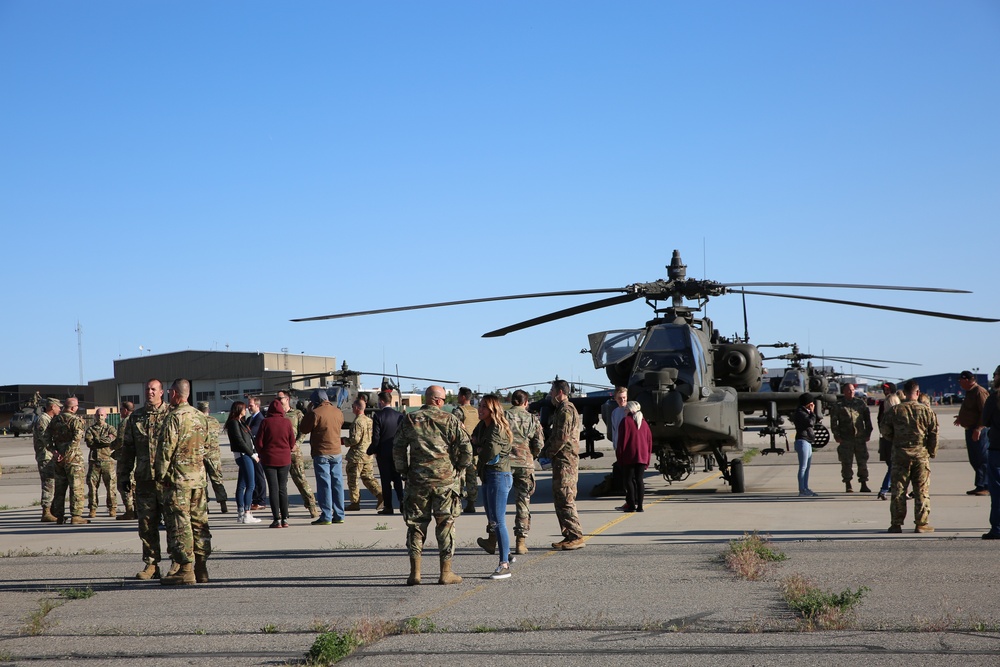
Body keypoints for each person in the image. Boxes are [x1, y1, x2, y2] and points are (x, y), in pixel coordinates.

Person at [393, 385, 472, 585]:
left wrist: (404, 471)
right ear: (437, 400)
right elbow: (467, 450)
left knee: (416, 526)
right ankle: (445, 573)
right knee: (445, 525)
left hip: (417, 481)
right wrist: (458, 469)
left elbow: (398, 448)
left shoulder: (410, 419)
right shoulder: (450, 420)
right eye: (444, 399)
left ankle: (415, 573)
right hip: (445, 483)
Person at [155, 379, 214, 585]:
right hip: (198, 480)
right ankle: (202, 568)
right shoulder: (200, 416)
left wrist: (159, 477)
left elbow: (165, 451)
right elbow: (207, 448)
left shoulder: (174, 417)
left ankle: (186, 569)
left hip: (178, 481)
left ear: (173, 393)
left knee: (181, 523)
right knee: (199, 523)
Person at [121, 379, 171, 579]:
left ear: (162, 392)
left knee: (173, 524)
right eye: (147, 389)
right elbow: (128, 449)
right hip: (144, 479)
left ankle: (177, 563)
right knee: (147, 524)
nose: (149, 392)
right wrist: (124, 475)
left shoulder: (171, 415)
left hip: (167, 480)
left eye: (153, 389)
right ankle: (151, 565)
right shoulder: (136, 417)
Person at [883, 379, 938, 534]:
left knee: (898, 490)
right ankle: (921, 524)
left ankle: (896, 524)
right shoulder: (927, 411)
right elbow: (934, 433)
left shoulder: (894, 411)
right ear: (918, 393)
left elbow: (885, 430)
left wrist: (896, 440)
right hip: (920, 456)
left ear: (904, 393)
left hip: (900, 456)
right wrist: (931, 451)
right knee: (921, 490)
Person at [472, 394, 515, 579]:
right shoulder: (482, 426)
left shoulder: (497, 429)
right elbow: (472, 443)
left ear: (493, 410)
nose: (479, 409)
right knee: (492, 519)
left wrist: (480, 448)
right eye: (479, 406)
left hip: (499, 475)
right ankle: (507, 553)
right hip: (487, 475)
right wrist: (479, 448)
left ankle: (504, 564)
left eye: (484, 407)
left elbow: (489, 453)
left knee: (498, 520)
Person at [543, 379, 585, 550]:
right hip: (561, 460)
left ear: (560, 392)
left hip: (565, 461)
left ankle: (576, 535)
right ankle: (568, 534)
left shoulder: (566, 410)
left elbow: (561, 437)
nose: (551, 394)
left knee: (566, 498)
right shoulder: (562, 409)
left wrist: (546, 453)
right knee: (560, 498)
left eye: (553, 390)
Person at [300, 389, 346, 525]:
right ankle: (339, 514)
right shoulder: (338, 412)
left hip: (321, 452)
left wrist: (308, 412)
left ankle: (326, 515)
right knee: (337, 483)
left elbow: (303, 428)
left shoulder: (315, 413)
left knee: (324, 484)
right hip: (336, 451)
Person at [506, 390, 543, 554]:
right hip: (525, 463)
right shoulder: (532, 419)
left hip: (505, 464)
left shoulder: (504, 417)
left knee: (497, 503)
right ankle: (520, 542)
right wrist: (531, 455)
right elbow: (539, 443)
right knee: (523, 503)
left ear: (512, 401)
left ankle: (493, 538)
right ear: (525, 402)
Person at [45, 396, 88, 524]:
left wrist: (55, 452)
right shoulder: (76, 420)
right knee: (76, 487)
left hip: (58, 459)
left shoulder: (55, 420)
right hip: (73, 459)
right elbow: (76, 440)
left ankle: (59, 515)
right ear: (73, 408)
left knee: (60, 488)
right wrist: (67, 454)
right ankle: (76, 515)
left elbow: (46, 438)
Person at [277, 392, 319, 518]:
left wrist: (297, 444)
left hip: (294, 452)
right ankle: (284, 510)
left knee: (301, 480)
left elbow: (304, 430)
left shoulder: (297, 414)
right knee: (280, 484)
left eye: (280, 398)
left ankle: (312, 506)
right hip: (280, 452)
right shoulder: (276, 415)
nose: (278, 401)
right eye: (277, 399)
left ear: (287, 399)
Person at [256, 397, 296, 528]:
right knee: (283, 488)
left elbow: (259, 442)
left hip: (269, 459)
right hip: (284, 459)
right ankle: (285, 518)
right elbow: (292, 442)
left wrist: (262, 453)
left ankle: (276, 519)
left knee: (273, 488)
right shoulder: (287, 422)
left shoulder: (265, 422)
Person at [829, 383, 874, 493]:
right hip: (845, 438)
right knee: (846, 463)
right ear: (844, 391)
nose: (851, 392)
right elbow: (834, 422)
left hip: (859, 438)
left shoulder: (860, 403)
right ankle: (848, 483)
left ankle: (863, 483)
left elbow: (867, 420)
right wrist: (836, 435)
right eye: (848, 390)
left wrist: (868, 433)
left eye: (853, 390)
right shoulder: (838, 405)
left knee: (862, 462)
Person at [955, 370, 990, 496]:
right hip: (970, 429)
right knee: (974, 460)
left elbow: (985, 412)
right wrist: (961, 418)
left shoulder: (979, 391)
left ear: (967, 380)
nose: (959, 382)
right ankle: (980, 484)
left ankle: (986, 486)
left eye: (960, 380)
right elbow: (971, 410)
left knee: (982, 459)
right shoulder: (969, 392)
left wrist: (978, 429)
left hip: (979, 431)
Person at [344, 398, 383, 512]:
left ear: (356, 407)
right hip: (367, 454)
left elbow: (355, 439)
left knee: (353, 480)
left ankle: (355, 502)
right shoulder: (369, 420)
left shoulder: (358, 422)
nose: (352, 408)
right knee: (368, 477)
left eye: (353, 406)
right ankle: (380, 494)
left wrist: (345, 440)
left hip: (357, 456)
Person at [225, 401, 261, 524]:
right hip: (244, 455)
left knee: (242, 484)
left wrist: (255, 452)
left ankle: (241, 513)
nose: (246, 410)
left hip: (248, 455)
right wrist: (251, 454)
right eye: (244, 408)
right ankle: (247, 513)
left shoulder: (241, 422)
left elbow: (250, 439)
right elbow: (240, 441)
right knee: (251, 484)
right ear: (239, 409)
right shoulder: (234, 423)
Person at [369, 391, 404, 515]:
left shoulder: (378, 416)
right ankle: (402, 502)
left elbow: (376, 437)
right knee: (397, 479)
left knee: (386, 481)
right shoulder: (399, 416)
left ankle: (388, 506)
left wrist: (372, 450)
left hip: (383, 453)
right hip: (397, 452)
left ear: (382, 401)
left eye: (379, 401)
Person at [616, 400, 653, 512]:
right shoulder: (644, 423)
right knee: (639, 480)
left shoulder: (625, 421)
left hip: (629, 456)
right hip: (642, 456)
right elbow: (649, 442)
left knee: (628, 480)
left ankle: (631, 505)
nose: (625, 411)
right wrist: (647, 459)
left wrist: (619, 457)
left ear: (630, 410)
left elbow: (621, 441)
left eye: (626, 408)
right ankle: (640, 506)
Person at [85, 407, 118, 518]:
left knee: (111, 486)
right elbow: (89, 443)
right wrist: (104, 440)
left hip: (107, 461)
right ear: (95, 416)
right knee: (92, 487)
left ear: (106, 416)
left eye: (102, 415)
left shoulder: (111, 428)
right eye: (98, 415)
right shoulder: (90, 429)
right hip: (94, 461)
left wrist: (98, 440)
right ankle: (92, 508)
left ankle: (112, 508)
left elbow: (112, 440)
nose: (100, 417)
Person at [197, 401, 228, 514]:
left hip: (200, 455)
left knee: (202, 481)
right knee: (217, 479)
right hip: (214, 455)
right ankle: (223, 503)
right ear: (208, 410)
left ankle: (205, 505)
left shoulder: (197, 421)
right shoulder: (214, 421)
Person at [452, 387, 480, 514]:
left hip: (461, 449)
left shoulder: (458, 411)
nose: (457, 397)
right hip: (474, 448)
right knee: (472, 476)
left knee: (459, 476)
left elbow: (452, 428)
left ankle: (457, 503)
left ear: (463, 396)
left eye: (458, 395)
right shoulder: (476, 411)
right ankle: (471, 503)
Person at [980, 365, 1000, 539]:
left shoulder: (994, 399)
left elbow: (985, 421)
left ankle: (998, 528)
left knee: (997, 491)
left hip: (997, 450)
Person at [33, 397, 60, 522]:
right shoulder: (43, 419)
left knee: (52, 483)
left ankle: (52, 510)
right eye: (57, 406)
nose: (59, 409)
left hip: (49, 455)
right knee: (48, 483)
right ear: (51, 407)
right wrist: (54, 450)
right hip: (45, 456)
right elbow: (45, 438)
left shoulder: (50, 419)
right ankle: (46, 512)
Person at [792, 393, 820, 497]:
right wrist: (812, 412)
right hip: (802, 441)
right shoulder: (800, 412)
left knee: (807, 467)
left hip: (807, 441)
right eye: (811, 402)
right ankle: (802, 490)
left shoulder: (805, 412)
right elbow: (810, 423)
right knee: (803, 467)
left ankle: (806, 487)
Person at [876, 383, 901, 500]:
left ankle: (889, 486)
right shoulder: (891, 412)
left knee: (892, 466)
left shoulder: (887, 406)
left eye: (887, 389)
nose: (885, 391)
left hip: (886, 439)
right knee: (893, 466)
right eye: (884, 389)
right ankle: (884, 488)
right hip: (890, 440)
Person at [245, 396, 268, 510]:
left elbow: (251, 433)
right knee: (253, 476)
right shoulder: (250, 419)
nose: (249, 407)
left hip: (258, 453)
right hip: (252, 452)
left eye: (251, 405)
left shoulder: (260, 419)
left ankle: (261, 500)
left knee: (259, 476)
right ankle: (256, 499)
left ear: (257, 406)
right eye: (248, 405)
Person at [114, 400, 136, 520]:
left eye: (121, 409)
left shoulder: (125, 422)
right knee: (134, 484)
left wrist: (111, 446)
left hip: (125, 457)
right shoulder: (137, 419)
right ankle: (137, 509)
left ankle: (129, 510)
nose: (120, 412)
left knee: (123, 484)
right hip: (136, 457)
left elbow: (120, 441)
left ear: (126, 410)